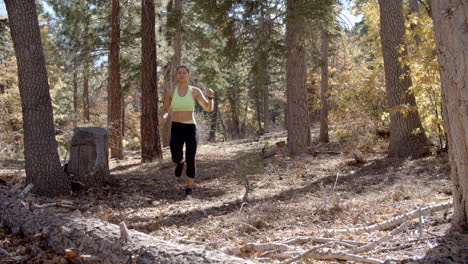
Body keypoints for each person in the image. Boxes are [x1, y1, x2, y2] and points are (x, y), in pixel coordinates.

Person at [160, 65, 214, 199]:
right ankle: (179, 162)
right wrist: (165, 115)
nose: (182, 75)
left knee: (191, 158)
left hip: (191, 128)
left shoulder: (195, 91)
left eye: (184, 73)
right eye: (179, 73)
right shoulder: (171, 92)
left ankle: (189, 189)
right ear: (176, 75)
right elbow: (166, 109)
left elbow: (208, 108)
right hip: (176, 128)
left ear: (188, 75)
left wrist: (211, 98)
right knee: (175, 155)